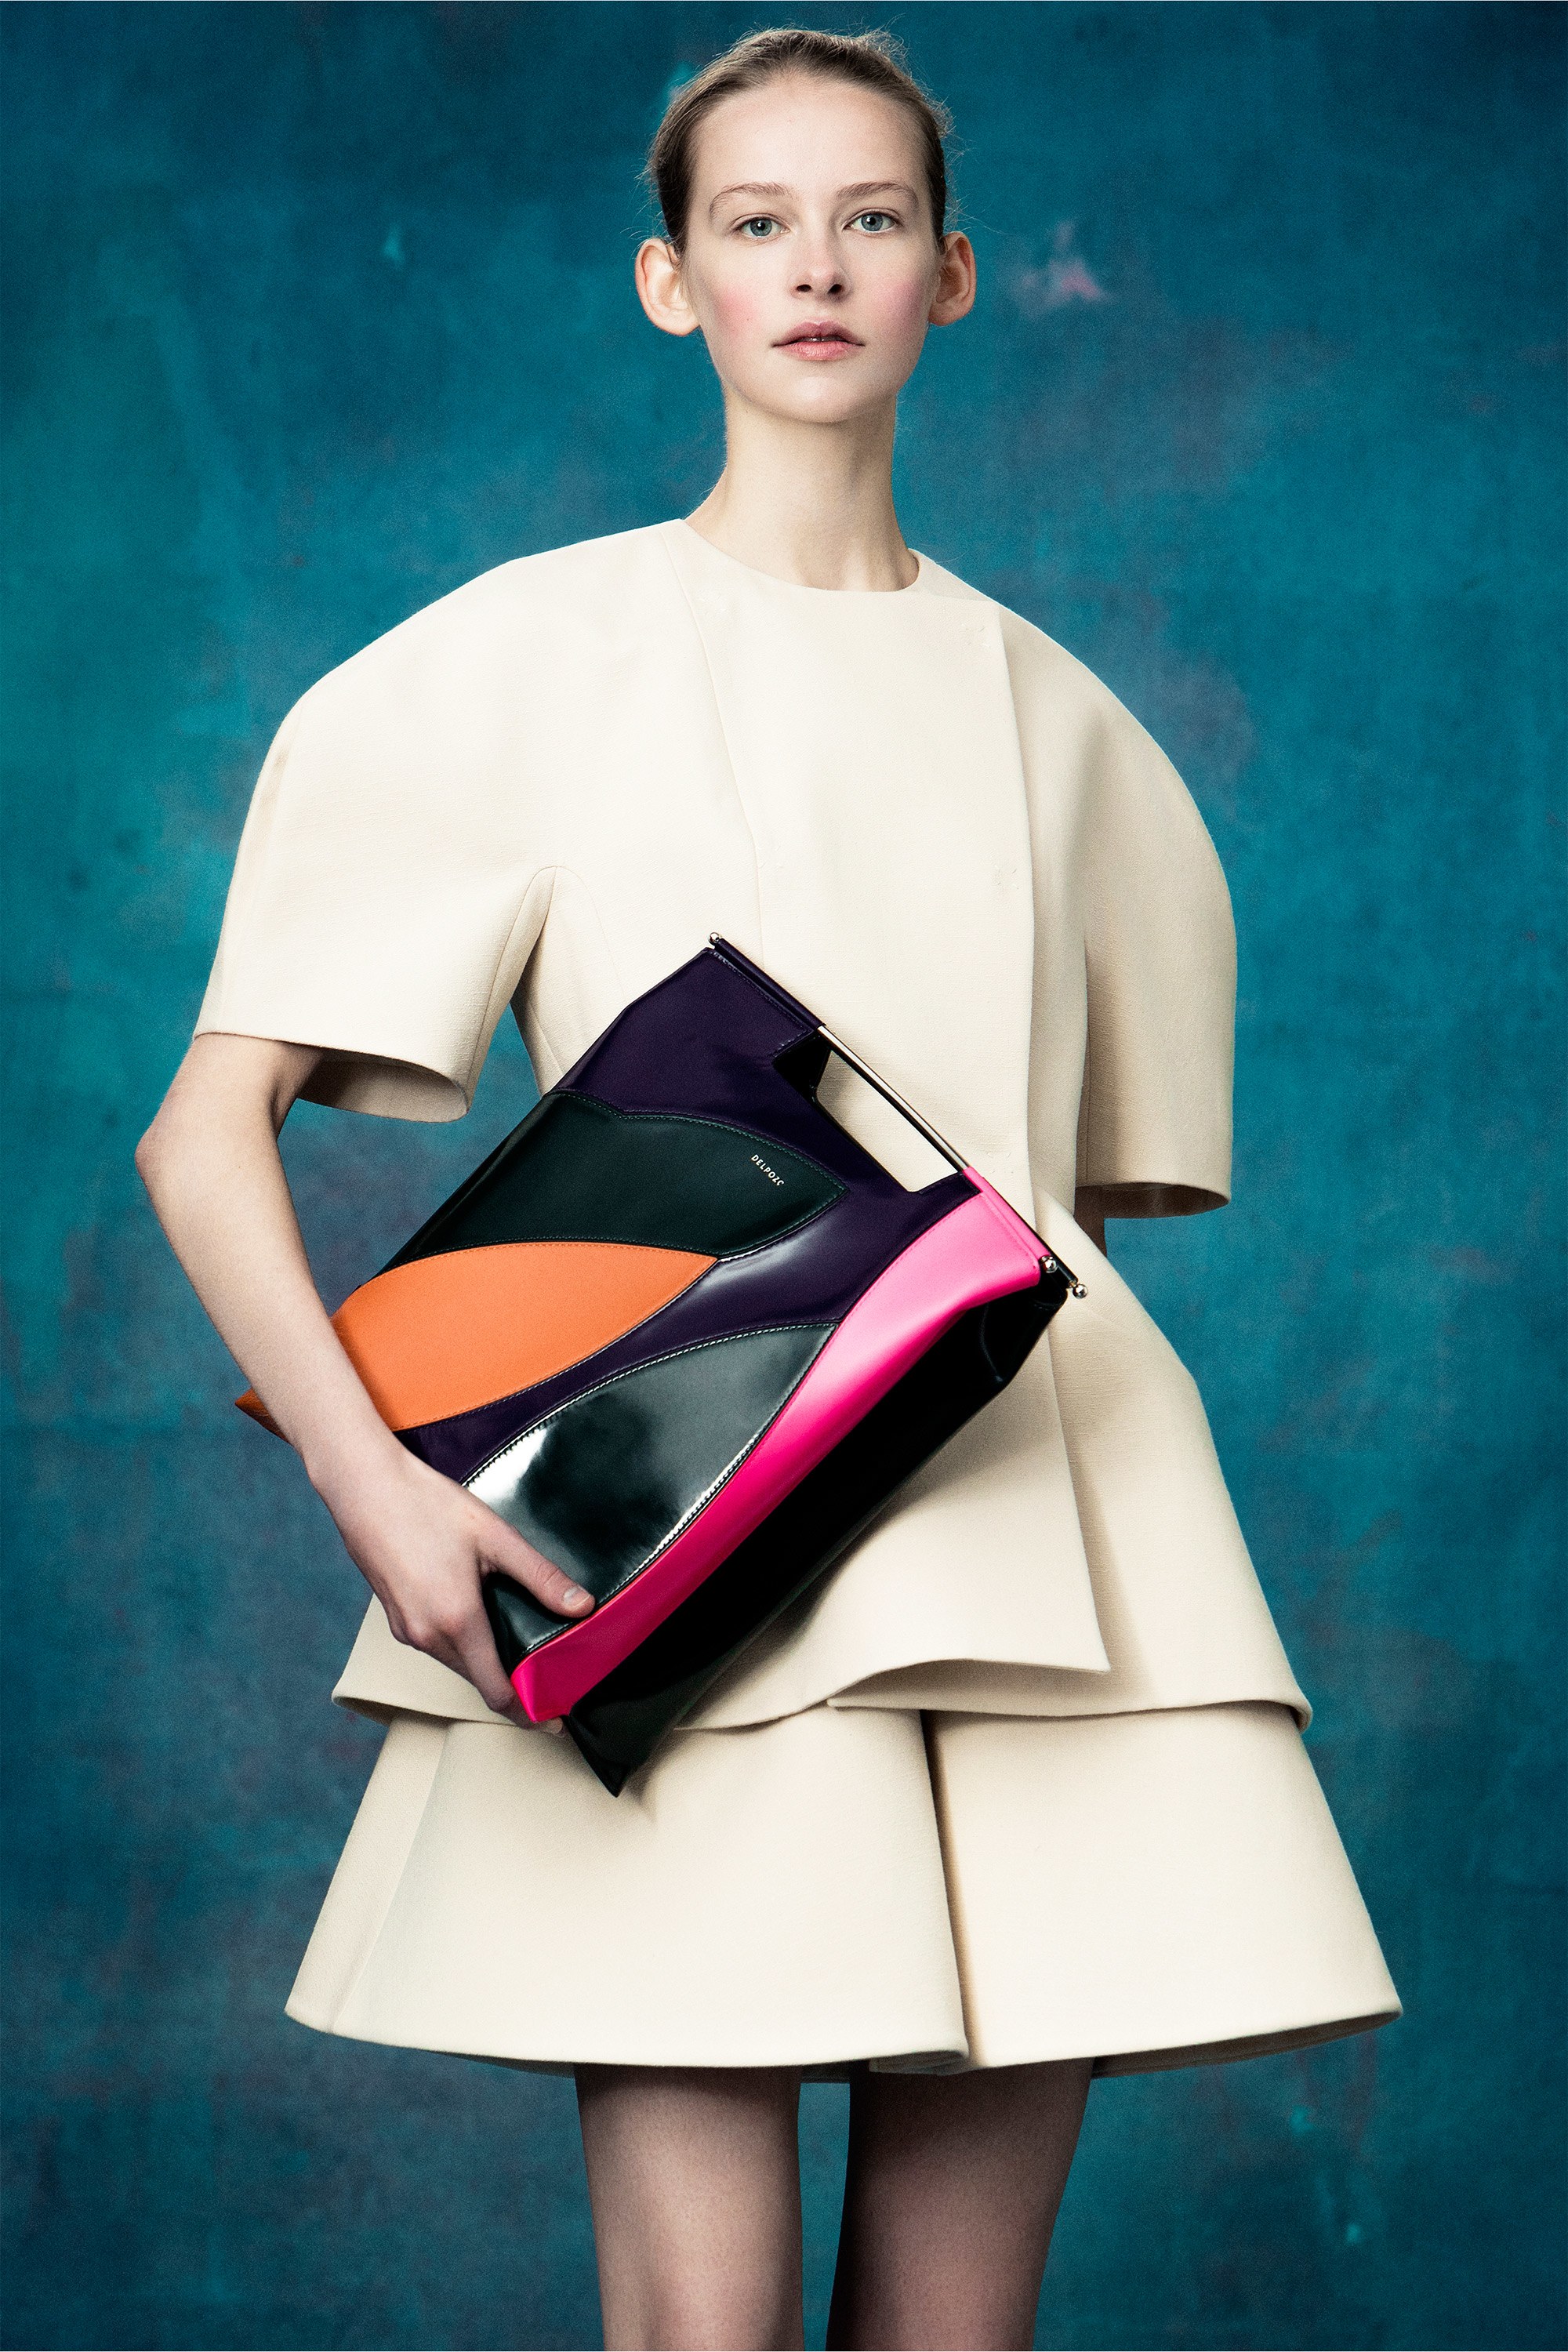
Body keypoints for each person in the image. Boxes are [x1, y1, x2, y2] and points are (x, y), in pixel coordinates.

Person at [136, 29, 1400, 2352]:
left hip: (1049, 1554)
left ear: (953, 275)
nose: (815, 267)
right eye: (756, 222)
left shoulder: (1080, 729)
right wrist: (377, 1490)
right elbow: (201, 1133)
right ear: (671, 282)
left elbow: (1065, 1220)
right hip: (689, 1523)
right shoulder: (514, 662)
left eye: (870, 219)